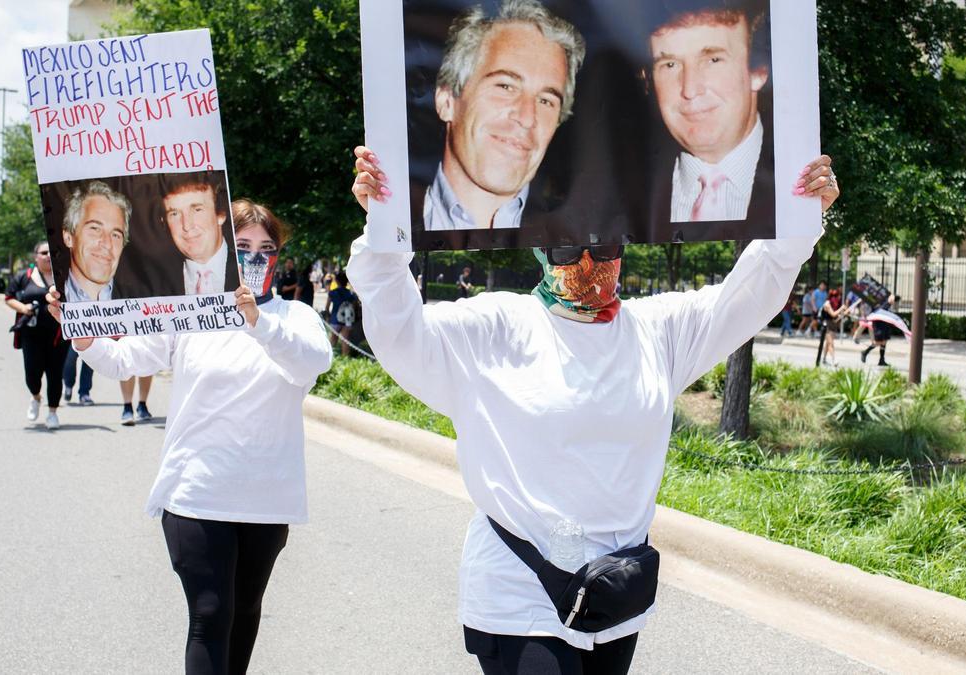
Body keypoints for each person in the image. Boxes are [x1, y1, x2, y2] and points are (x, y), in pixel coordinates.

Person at [351, 145, 839, 673]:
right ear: (539, 246)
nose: (587, 260)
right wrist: (386, 227)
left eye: (602, 243)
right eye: (566, 247)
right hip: (522, 597)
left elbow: (752, 292)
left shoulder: (659, 331)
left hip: (614, 594)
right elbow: (399, 329)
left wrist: (799, 214)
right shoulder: (491, 330)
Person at [49, 199, 331, 674]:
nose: (256, 257)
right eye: (243, 246)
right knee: (210, 612)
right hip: (196, 494)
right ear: (224, 251)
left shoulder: (294, 318)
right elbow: (124, 359)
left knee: (244, 614)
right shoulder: (192, 314)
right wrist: (82, 335)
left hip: (266, 500)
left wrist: (257, 323)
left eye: (267, 248)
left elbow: (310, 362)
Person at [423, 0, 585, 231]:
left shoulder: (580, 236)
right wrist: (381, 216)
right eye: (506, 86)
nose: (527, 117)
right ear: (447, 100)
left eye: (546, 101)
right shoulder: (401, 221)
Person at [646, 0, 773, 226]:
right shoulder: (619, 195)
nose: (690, 89)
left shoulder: (794, 181)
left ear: (758, 71)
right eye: (670, 64)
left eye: (713, 60)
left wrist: (814, 209)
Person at [8, 242, 68, 430]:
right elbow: (9, 297)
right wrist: (23, 308)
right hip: (31, 334)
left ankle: (52, 412)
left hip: (58, 335)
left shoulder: (64, 278)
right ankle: (35, 396)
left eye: (52, 252)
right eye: (44, 253)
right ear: (36, 256)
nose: (48, 256)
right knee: (32, 374)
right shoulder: (24, 277)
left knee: (55, 374)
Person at [162, 174, 239, 295]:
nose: (187, 226)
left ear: (221, 215)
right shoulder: (151, 283)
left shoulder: (247, 271)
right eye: (174, 214)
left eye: (197, 209)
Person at [62, 181, 131, 302]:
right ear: (69, 238)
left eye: (116, 235)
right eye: (95, 228)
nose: (107, 244)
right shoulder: (49, 304)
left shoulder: (146, 304)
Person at [326, 271, 358, 357]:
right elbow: (354, 307)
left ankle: (328, 357)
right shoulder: (351, 294)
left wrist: (327, 316)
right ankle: (345, 359)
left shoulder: (332, 293)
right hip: (347, 320)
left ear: (336, 281)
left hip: (335, 319)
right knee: (345, 340)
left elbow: (327, 307)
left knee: (333, 339)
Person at [861, 295, 899, 367]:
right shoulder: (882, 302)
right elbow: (881, 310)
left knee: (884, 342)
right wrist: (888, 302)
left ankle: (881, 360)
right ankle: (865, 352)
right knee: (878, 342)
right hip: (879, 326)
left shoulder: (887, 303)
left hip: (885, 325)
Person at [818, 287, 845, 367]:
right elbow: (833, 314)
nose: (839, 297)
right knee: (830, 343)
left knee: (827, 343)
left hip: (832, 325)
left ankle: (824, 359)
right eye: (837, 296)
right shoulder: (827, 304)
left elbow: (836, 317)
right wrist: (841, 309)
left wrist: (844, 312)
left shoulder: (835, 304)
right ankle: (834, 359)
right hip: (826, 325)